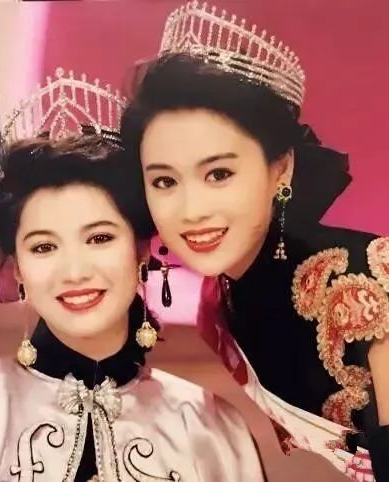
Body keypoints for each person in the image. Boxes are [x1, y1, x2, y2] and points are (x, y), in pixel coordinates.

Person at [0, 70, 265, 482]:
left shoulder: (211, 431)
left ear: (141, 249)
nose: (75, 271)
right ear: (17, 269)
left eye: (99, 238)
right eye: (43, 247)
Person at [120, 2, 388, 481]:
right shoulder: (226, 297)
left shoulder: (369, 279)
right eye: (164, 181)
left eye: (219, 174)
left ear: (280, 169)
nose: (191, 210)